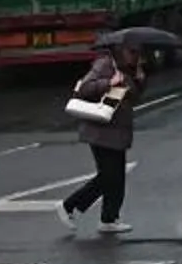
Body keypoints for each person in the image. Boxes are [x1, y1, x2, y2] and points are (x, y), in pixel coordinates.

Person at [60, 42, 148, 235]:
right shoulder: (105, 65)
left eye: (138, 54)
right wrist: (109, 83)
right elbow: (84, 88)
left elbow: (133, 98)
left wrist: (139, 80)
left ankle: (109, 219)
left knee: (116, 178)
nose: (135, 57)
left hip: (117, 131)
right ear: (121, 50)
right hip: (100, 130)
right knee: (109, 176)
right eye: (132, 52)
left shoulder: (129, 70)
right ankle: (69, 206)